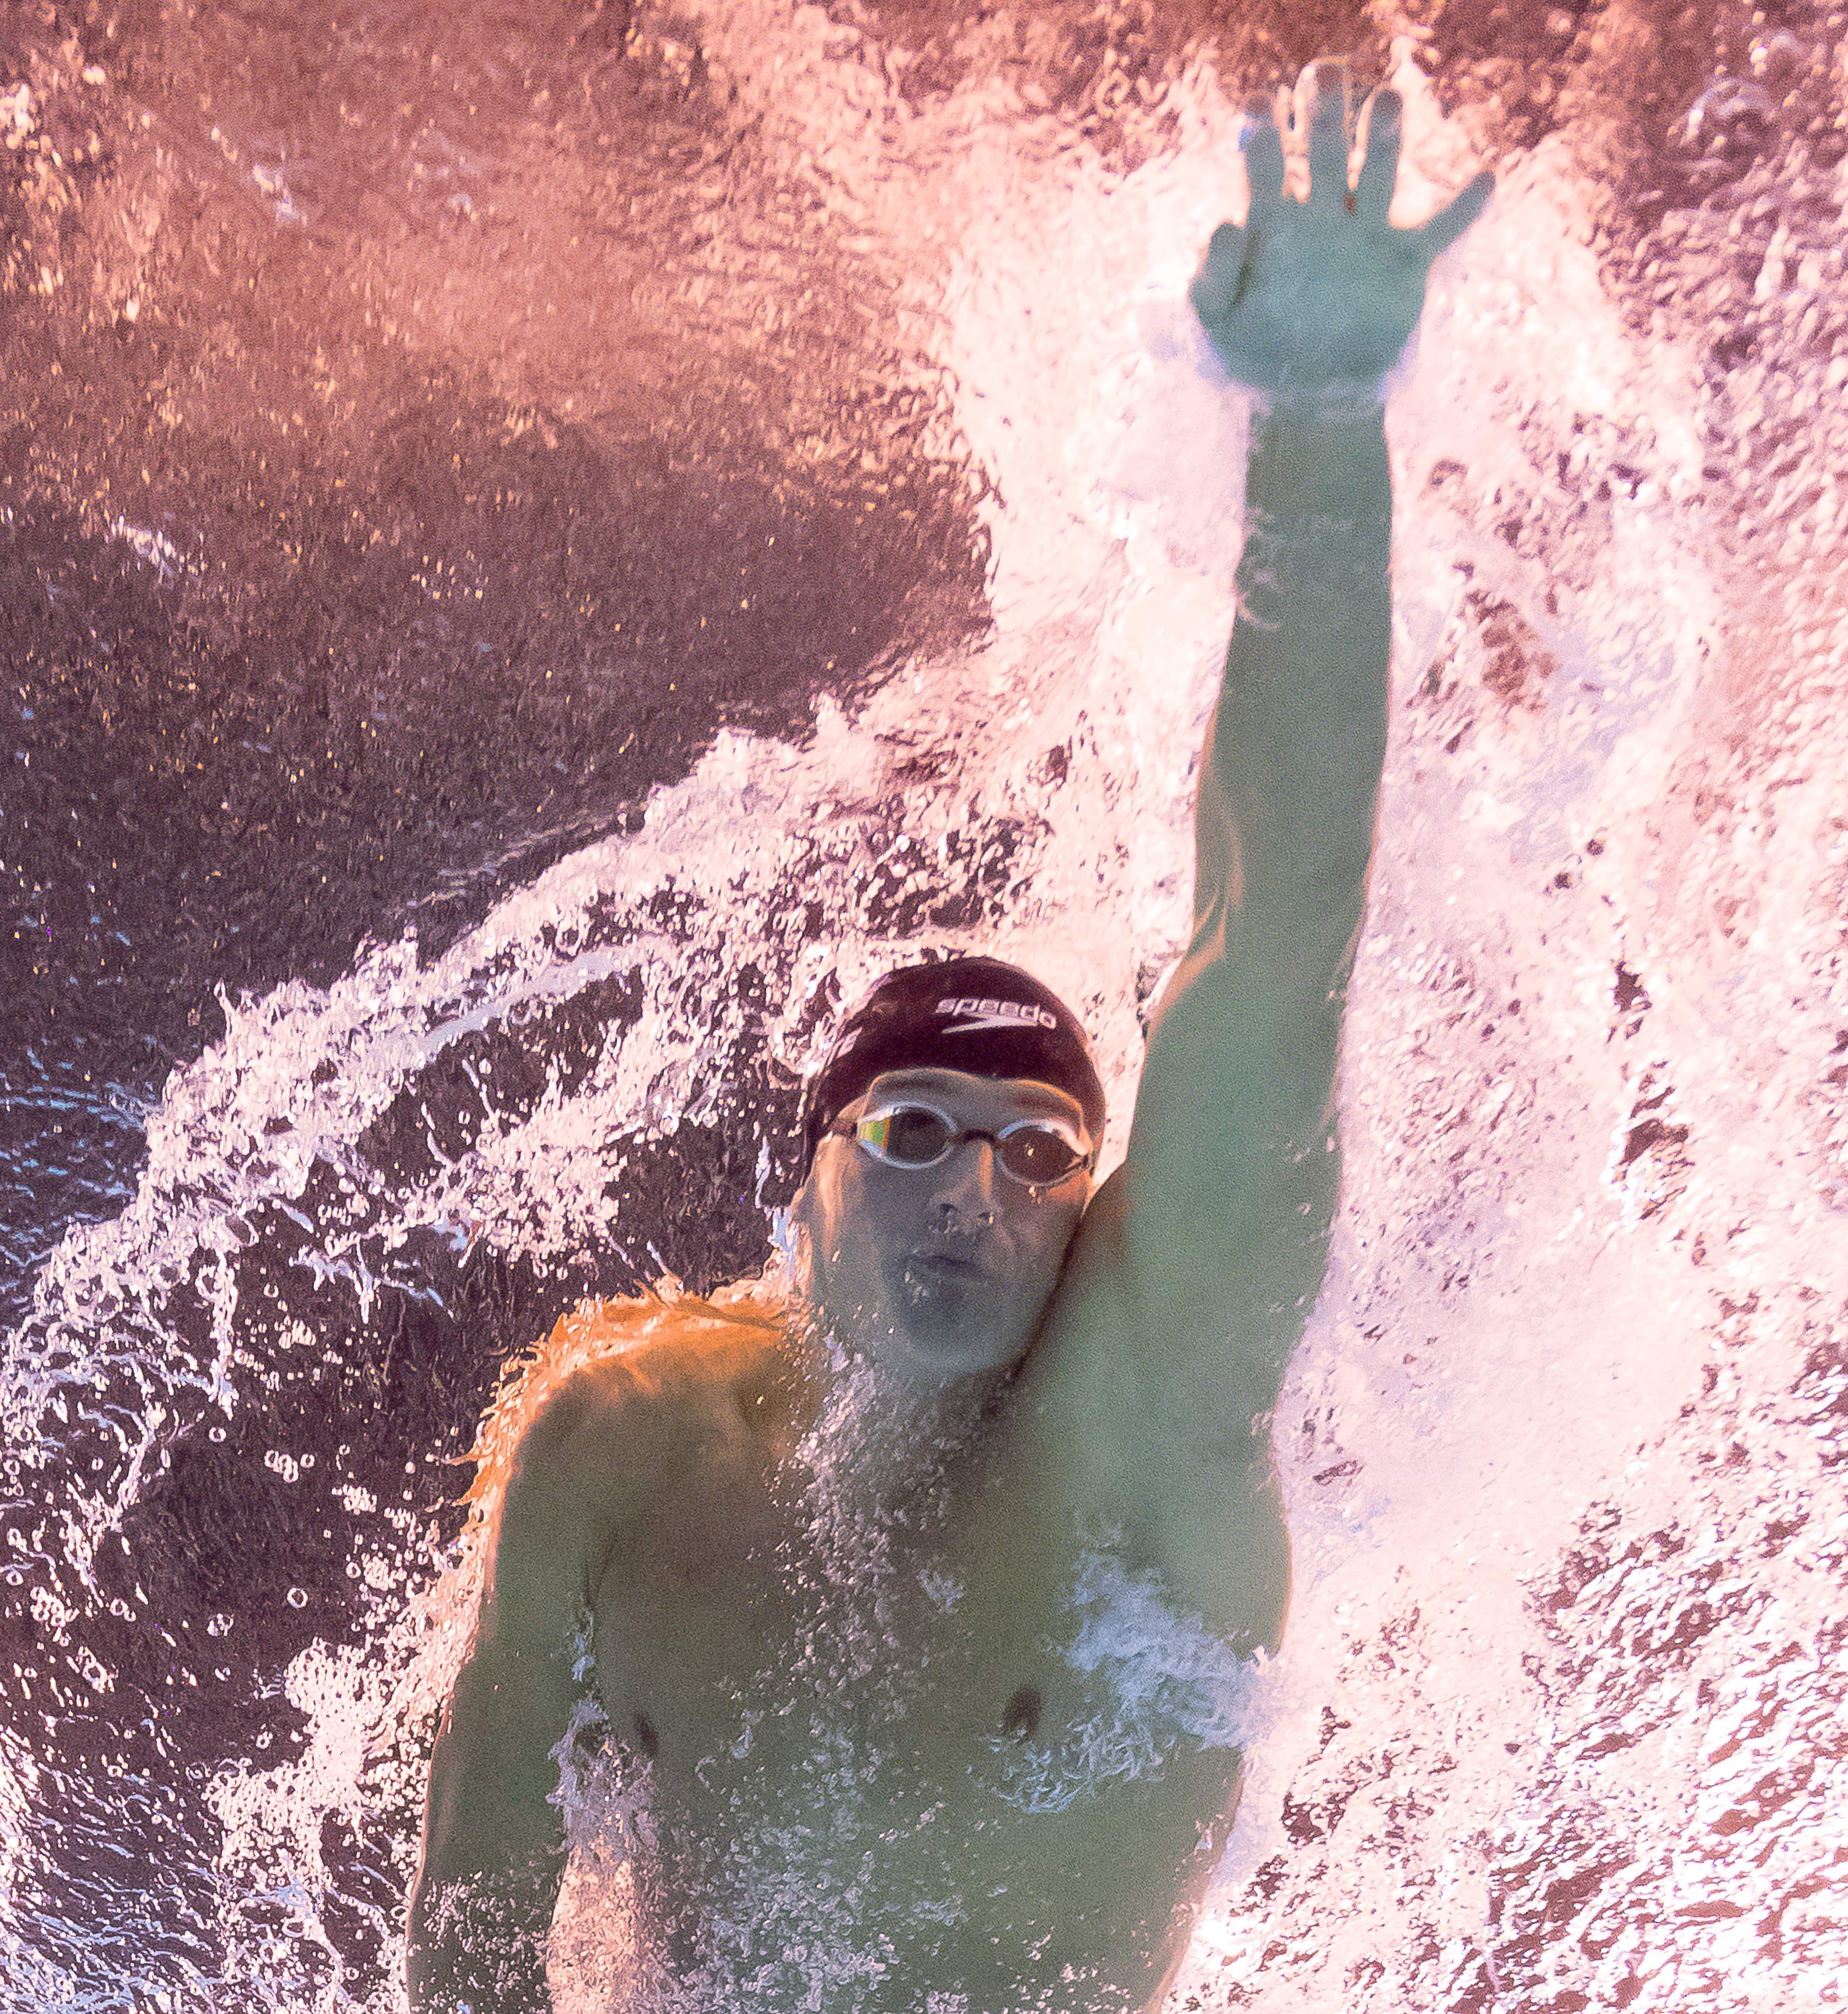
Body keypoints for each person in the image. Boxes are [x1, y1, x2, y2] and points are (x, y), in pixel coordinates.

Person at [405, 67, 1493, 2014]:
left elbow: (1271, 958)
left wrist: (1318, 431)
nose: (978, 1185)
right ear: (798, 1185)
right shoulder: (624, 1447)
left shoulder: (1141, 1431)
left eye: (1037, 1151)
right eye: (910, 1127)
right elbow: (477, 1914)